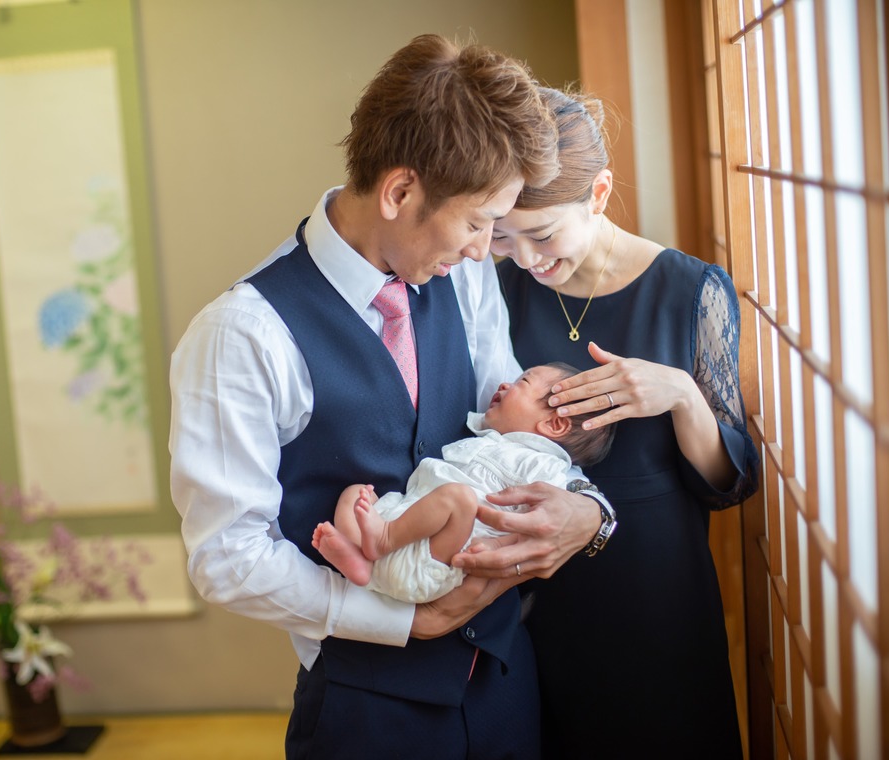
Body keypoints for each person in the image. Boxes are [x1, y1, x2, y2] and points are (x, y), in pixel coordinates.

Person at [169, 37, 614, 760]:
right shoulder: (242, 336)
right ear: (401, 192)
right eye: (476, 224)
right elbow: (228, 556)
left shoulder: (463, 277)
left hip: (505, 678)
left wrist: (589, 509)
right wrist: (402, 621)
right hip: (368, 716)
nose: (484, 252)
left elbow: (520, 433)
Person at [466, 86, 761, 758]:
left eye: (542, 235)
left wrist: (683, 394)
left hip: (654, 589)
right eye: (505, 238)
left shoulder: (690, 289)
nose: (527, 258)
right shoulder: (498, 290)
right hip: (531, 586)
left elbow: (729, 482)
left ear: (599, 194)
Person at [314, 363, 615, 604]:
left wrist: (594, 511)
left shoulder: (543, 464)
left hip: (436, 558)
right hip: (402, 526)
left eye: (521, 382)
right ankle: (363, 565)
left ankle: (383, 541)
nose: (504, 384)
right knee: (356, 493)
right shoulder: (490, 438)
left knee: (459, 499)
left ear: (554, 424)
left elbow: (563, 498)